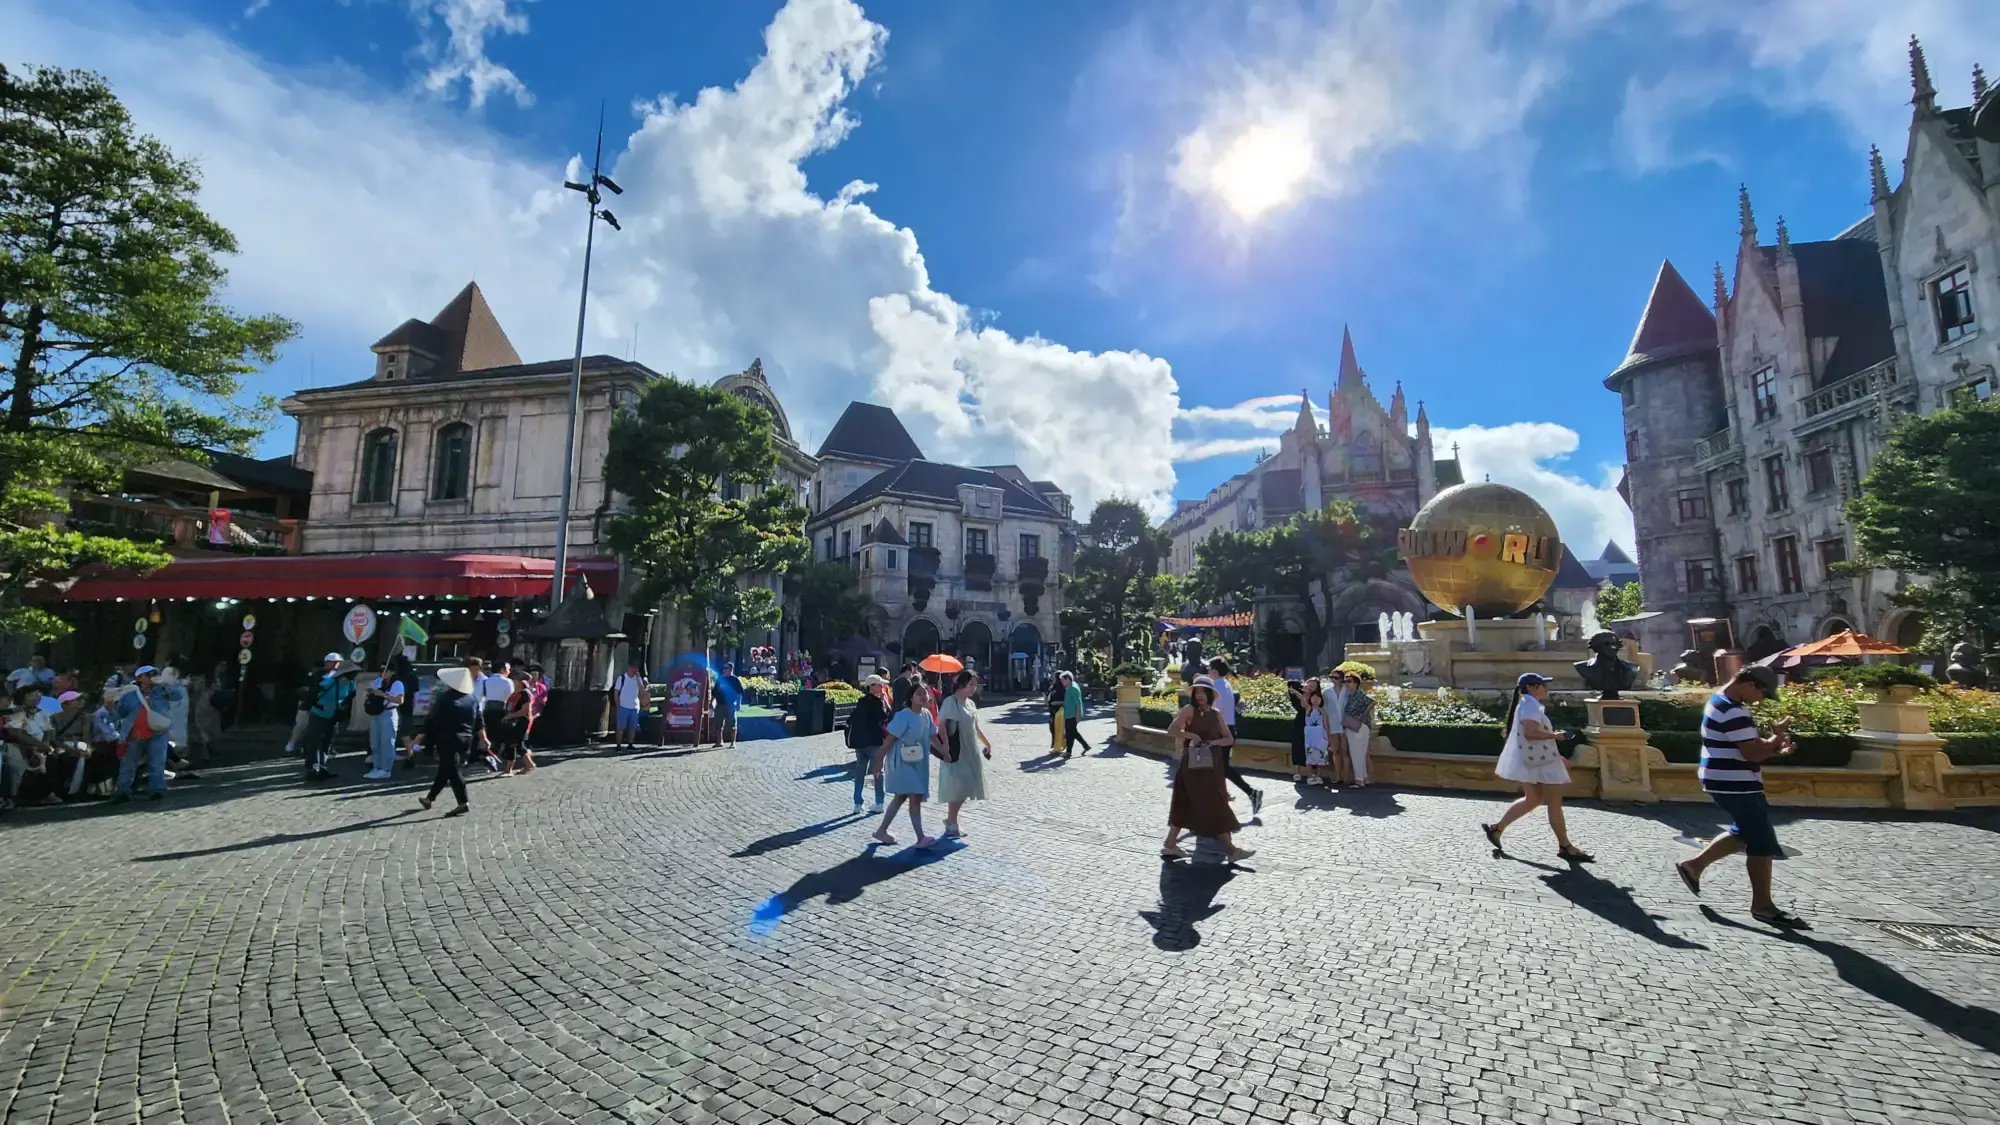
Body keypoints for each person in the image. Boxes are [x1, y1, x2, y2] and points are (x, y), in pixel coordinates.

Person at [1673, 666, 1809, 930]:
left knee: (1744, 831)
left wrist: (1773, 742)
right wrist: (1777, 744)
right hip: (1735, 783)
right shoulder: (1734, 711)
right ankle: (1762, 906)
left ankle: (1693, 866)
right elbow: (1752, 754)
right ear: (1749, 684)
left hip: (1722, 779)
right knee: (1762, 841)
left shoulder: (1719, 700)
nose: (1761, 700)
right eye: (1762, 693)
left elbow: (1748, 748)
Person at [1481, 673, 1593, 862]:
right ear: (1532, 687)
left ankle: (1497, 829)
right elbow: (1530, 733)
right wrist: (1555, 737)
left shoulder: (1526, 704)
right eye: (1542, 685)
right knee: (1554, 802)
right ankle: (1565, 846)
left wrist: (1557, 753)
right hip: (1542, 763)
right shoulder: (1530, 706)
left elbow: (1532, 736)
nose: (1546, 688)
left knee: (1533, 799)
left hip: (1535, 760)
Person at [1162, 677, 1254, 863]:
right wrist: (1192, 735)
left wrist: (1214, 742)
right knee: (1207, 803)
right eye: (1197, 692)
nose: (1200, 695)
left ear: (1210, 694)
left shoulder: (1216, 713)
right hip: (1191, 765)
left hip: (1212, 766)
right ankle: (1231, 850)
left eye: (1203, 691)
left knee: (1192, 802)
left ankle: (1170, 844)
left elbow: (1229, 739)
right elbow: (1172, 730)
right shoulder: (1189, 710)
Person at [872, 683, 943, 847]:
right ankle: (920, 837)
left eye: (925, 693)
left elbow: (933, 736)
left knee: (901, 796)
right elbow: (888, 741)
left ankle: (881, 831)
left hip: (918, 762)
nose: (923, 696)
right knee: (915, 796)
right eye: (919, 693)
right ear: (911, 697)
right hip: (902, 762)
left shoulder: (926, 715)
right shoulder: (903, 716)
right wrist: (878, 762)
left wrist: (944, 753)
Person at [412, 666, 483, 817]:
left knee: (452, 770)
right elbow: (479, 721)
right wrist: (484, 738)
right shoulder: (471, 698)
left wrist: (419, 737)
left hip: (447, 738)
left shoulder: (445, 699)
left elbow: (432, 720)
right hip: (466, 739)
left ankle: (463, 802)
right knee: (446, 768)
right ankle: (430, 798)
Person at [935, 670, 993, 839]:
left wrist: (987, 743)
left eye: (975, 684)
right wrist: (945, 746)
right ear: (960, 685)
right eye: (971, 684)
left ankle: (950, 820)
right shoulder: (950, 702)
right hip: (957, 749)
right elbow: (941, 725)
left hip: (970, 749)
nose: (974, 688)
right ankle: (952, 824)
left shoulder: (971, 704)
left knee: (969, 785)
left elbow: (976, 727)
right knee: (958, 786)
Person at [113, 665, 184, 802]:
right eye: (148, 674)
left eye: (154, 673)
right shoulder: (129, 693)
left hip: (158, 732)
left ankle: (156, 790)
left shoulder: (161, 690)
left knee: (157, 762)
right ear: (139, 678)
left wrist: (166, 686)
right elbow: (121, 712)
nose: (152, 677)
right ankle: (123, 792)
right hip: (134, 733)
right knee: (128, 764)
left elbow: (177, 696)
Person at [1205, 658, 1264, 814]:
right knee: (1219, 766)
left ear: (1214, 671)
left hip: (1221, 730)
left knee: (1220, 766)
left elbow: (1216, 710)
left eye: (1208, 669)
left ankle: (1251, 792)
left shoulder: (1217, 686)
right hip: (1227, 729)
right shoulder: (1225, 683)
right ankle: (1222, 794)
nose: (1207, 671)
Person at [302, 653, 355, 781]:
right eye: (334, 662)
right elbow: (316, 689)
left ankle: (323, 767)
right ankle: (312, 769)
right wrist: (333, 677)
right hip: (319, 713)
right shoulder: (321, 675)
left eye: (339, 662)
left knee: (327, 742)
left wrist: (343, 708)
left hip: (334, 715)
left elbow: (351, 693)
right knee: (314, 741)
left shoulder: (347, 679)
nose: (337, 665)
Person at [847, 674, 892, 812]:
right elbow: (885, 717)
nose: (882, 686)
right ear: (872, 686)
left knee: (860, 772)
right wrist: (884, 702)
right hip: (874, 741)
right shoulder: (877, 702)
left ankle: (857, 803)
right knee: (877, 771)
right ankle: (879, 802)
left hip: (860, 742)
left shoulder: (861, 701)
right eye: (879, 684)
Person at [362, 666, 407, 780]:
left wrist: (384, 695)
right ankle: (376, 767)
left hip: (389, 713)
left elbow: (400, 700)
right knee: (375, 742)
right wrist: (372, 691)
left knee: (386, 743)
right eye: (381, 670)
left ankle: (386, 769)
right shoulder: (379, 681)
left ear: (392, 672)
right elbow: (369, 688)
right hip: (376, 713)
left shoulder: (397, 684)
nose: (383, 673)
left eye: (385, 670)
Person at [1338, 671, 1376, 788]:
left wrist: (1362, 715)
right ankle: (1364, 778)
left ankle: (1359, 780)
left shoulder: (1358, 694)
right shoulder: (1351, 695)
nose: (1347, 684)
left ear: (1356, 683)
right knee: (1361, 753)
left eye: (1349, 681)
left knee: (1356, 753)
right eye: (1345, 681)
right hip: (1358, 726)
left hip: (1357, 726)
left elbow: (1372, 702)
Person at [502, 672, 535, 776]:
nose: (514, 681)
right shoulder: (517, 692)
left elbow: (525, 710)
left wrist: (510, 716)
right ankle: (528, 764)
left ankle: (510, 769)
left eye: (516, 680)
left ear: (521, 682)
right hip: (514, 721)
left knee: (514, 743)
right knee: (517, 743)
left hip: (520, 721)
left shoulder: (525, 693)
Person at [479, 659, 515, 754]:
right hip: (502, 709)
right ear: (502, 670)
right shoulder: (508, 681)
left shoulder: (486, 681)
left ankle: (487, 752)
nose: (509, 672)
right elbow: (510, 696)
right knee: (500, 733)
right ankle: (497, 752)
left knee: (489, 731)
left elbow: (483, 694)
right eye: (508, 669)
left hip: (488, 708)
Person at [613, 661, 649, 749]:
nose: (634, 670)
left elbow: (642, 691)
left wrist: (638, 678)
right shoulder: (622, 678)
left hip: (634, 706)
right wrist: (617, 704)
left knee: (633, 727)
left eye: (636, 668)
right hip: (623, 706)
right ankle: (618, 745)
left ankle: (630, 743)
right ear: (629, 668)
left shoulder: (638, 679)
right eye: (633, 668)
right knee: (621, 727)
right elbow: (616, 692)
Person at [711, 662, 743, 747]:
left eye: (726, 668)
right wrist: (711, 702)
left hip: (731, 704)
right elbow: (715, 692)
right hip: (720, 704)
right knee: (718, 724)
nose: (724, 670)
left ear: (731, 669)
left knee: (732, 724)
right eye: (723, 668)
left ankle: (733, 743)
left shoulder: (735, 680)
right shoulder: (720, 679)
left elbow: (739, 693)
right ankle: (719, 742)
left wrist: (738, 704)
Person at [1059, 671, 1091, 758]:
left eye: (1063, 680)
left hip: (1072, 715)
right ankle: (1085, 746)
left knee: (1070, 733)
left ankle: (1069, 752)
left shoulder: (1073, 688)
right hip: (1069, 714)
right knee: (1072, 733)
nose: (1062, 682)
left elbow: (1078, 703)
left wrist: (1078, 716)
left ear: (1067, 679)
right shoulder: (1071, 686)